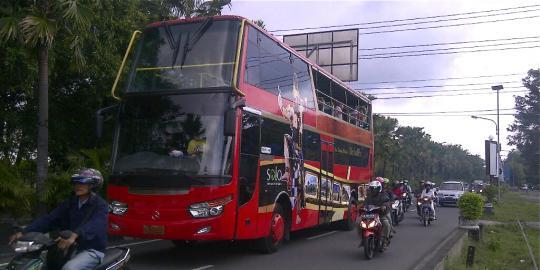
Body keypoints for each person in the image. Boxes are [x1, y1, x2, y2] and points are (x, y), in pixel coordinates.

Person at [9, 168, 108, 270]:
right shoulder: (70, 203)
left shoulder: (101, 205)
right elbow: (49, 219)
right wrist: (24, 232)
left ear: (93, 185)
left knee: (69, 268)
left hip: (90, 249)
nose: (78, 185)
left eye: (83, 182)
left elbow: (96, 224)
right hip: (67, 244)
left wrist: (75, 235)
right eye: (76, 182)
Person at [364, 181, 392, 248]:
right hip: (370, 214)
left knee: (386, 224)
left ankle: (385, 240)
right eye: (372, 188)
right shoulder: (368, 196)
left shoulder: (383, 195)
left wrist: (384, 206)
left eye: (375, 189)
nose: (374, 190)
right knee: (358, 223)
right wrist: (361, 207)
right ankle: (363, 238)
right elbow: (365, 203)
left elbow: (387, 202)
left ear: (379, 189)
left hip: (380, 215)